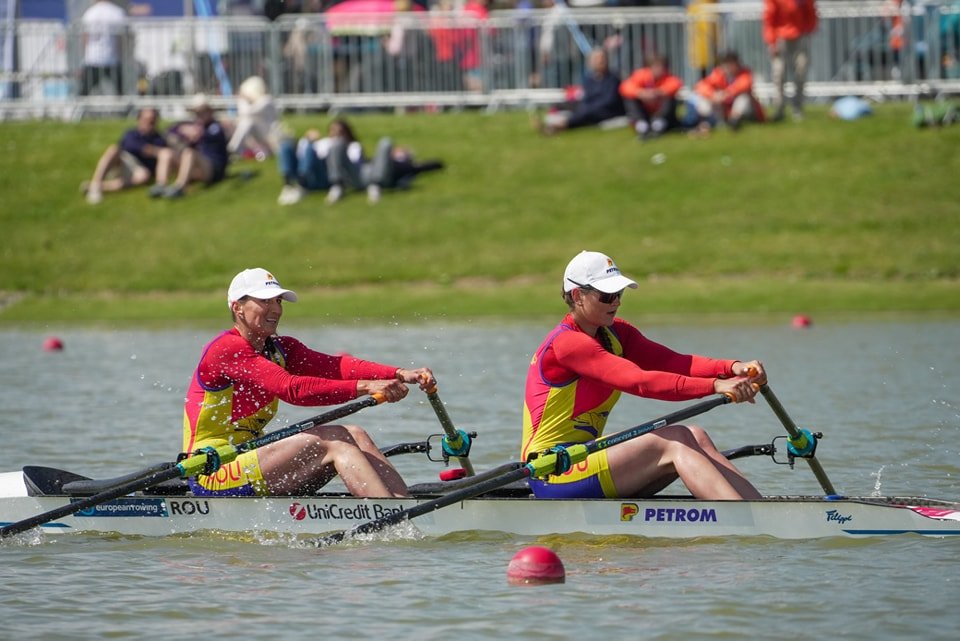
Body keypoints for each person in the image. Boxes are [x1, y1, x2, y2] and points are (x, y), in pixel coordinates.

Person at [520, 250, 764, 500]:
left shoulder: (616, 333)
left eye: (619, 293)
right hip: (553, 471)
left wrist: (732, 367)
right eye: (607, 296)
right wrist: (716, 386)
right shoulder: (567, 344)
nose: (616, 302)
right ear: (577, 295)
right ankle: (745, 519)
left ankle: (759, 510)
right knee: (677, 438)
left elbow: (672, 362)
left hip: (584, 457)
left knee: (696, 434)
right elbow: (641, 382)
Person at [182, 267, 436, 497]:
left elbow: (337, 367)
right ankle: (388, 518)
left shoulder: (281, 349)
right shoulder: (227, 349)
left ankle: (404, 508)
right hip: (213, 469)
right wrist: (367, 386)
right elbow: (292, 389)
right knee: (335, 438)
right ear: (238, 307)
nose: (276, 309)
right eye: (264, 301)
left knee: (356, 433)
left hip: (249, 458)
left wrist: (400, 373)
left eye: (278, 301)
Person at [149, 94, 229, 199]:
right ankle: (161, 184)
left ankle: (179, 187)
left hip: (214, 169)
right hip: (198, 166)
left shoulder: (215, 127)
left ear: (209, 111)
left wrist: (198, 134)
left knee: (189, 153)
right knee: (165, 153)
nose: (199, 116)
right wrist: (183, 129)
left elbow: (210, 135)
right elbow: (170, 130)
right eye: (197, 113)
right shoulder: (194, 125)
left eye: (202, 112)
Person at [81, 108, 166, 204]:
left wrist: (150, 150)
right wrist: (148, 150)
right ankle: (96, 184)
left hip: (139, 168)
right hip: (124, 161)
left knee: (143, 176)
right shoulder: (131, 133)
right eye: (147, 120)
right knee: (113, 150)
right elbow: (128, 145)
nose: (150, 123)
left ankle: (98, 187)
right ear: (139, 120)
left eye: (152, 121)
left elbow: (156, 160)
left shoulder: (159, 139)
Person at [539, 48, 625, 135]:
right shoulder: (589, 79)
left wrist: (590, 107)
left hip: (609, 110)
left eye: (602, 59)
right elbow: (586, 98)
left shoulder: (613, 78)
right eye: (597, 59)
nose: (600, 61)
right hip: (592, 108)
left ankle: (563, 125)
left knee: (586, 112)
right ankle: (555, 122)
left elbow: (610, 100)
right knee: (574, 107)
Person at [763, 0, 818, 122]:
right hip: (780, 37)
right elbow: (769, 18)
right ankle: (779, 109)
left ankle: (797, 108)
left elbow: (811, 11)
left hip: (801, 35)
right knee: (779, 74)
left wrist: (808, 29)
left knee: (801, 72)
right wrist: (771, 41)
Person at [686, 50, 765, 133]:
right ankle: (706, 122)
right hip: (723, 108)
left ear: (737, 64)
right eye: (725, 64)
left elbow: (744, 84)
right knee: (702, 100)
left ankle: (734, 120)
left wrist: (727, 93)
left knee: (743, 98)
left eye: (731, 63)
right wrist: (713, 95)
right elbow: (701, 86)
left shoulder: (745, 73)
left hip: (746, 112)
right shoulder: (718, 74)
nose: (728, 67)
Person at [618, 54, 684, 140]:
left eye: (661, 66)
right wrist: (641, 93)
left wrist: (657, 93)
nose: (659, 69)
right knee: (630, 99)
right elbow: (625, 87)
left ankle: (658, 125)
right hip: (644, 110)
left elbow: (676, 84)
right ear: (650, 68)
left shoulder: (668, 77)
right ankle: (641, 126)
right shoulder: (641, 75)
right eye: (656, 66)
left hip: (661, 111)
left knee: (670, 98)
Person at [227, 75, 282, 160]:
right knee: (241, 123)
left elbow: (247, 112)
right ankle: (235, 149)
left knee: (247, 122)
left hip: (269, 135)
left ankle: (233, 148)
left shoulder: (266, 100)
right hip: (257, 136)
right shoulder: (254, 102)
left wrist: (242, 100)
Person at [79, 0, 127, 96]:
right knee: (120, 93)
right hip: (112, 58)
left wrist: (83, 57)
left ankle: (79, 109)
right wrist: (122, 56)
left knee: (83, 93)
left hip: (92, 59)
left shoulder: (89, 13)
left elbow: (85, 38)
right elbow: (120, 39)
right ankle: (125, 110)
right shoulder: (117, 12)